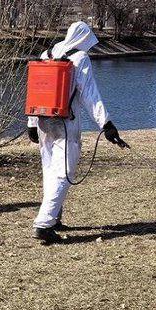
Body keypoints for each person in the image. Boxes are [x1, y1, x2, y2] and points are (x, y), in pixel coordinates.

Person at [27, 22, 127, 244]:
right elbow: (90, 94)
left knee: (50, 169)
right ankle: (43, 224)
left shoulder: (47, 53)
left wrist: (32, 122)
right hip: (65, 123)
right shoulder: (80, 58)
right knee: (63, 173)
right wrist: (106, 124)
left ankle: (54, 217)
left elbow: (36, 88)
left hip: (43, 121)